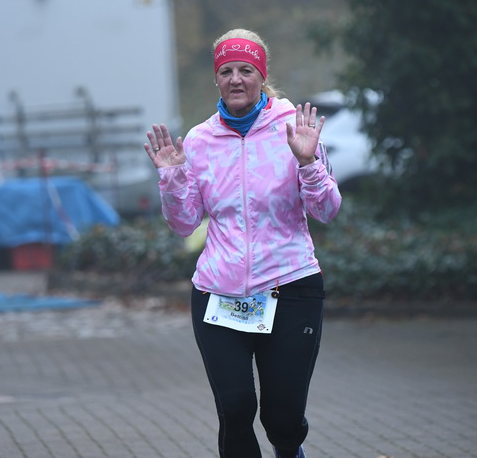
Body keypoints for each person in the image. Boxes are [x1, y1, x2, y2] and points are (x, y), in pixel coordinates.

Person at [143, 28, 341, 458]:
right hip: (219, 292)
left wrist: (308, 162)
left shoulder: (295, 129)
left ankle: (289, 448)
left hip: (290, 286)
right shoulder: (200, 140)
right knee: (235, 410)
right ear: (216, 79)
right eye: (226, 71)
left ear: (261, 76)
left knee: (283, 420)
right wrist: (172, 178)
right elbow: (184, 224)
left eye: (246, 70)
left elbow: (327, 209)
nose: (235, 79)